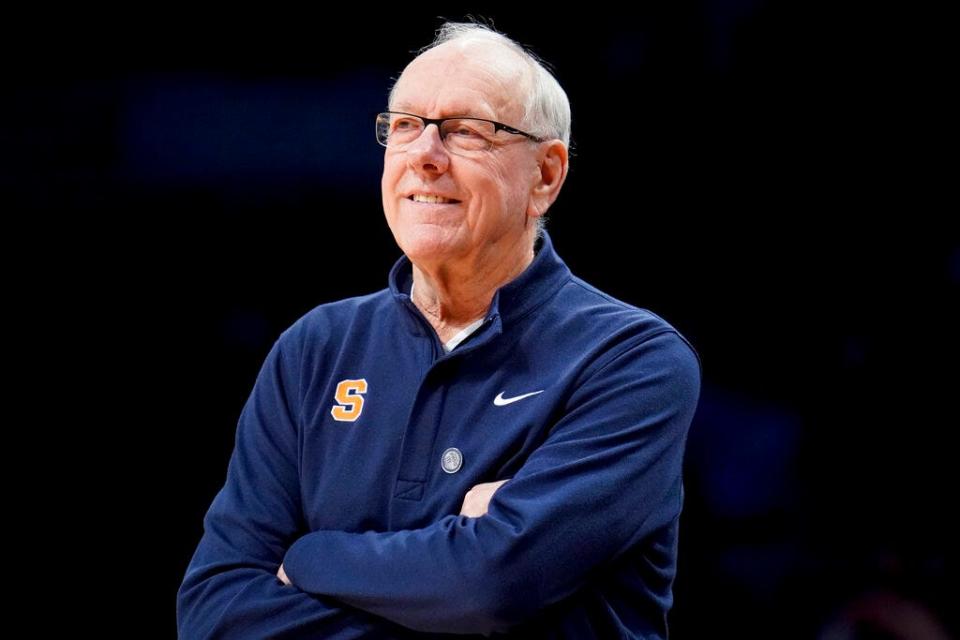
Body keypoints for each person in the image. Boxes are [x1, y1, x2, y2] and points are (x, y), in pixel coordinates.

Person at [177, 21, 701, 639]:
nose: (425, 155)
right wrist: (454, 572)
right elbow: (214, 609)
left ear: (546, 175)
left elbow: (493, 585)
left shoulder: (630, 360)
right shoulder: (315, 348)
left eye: (464, 131)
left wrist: (308, 557)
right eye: (403, 126)